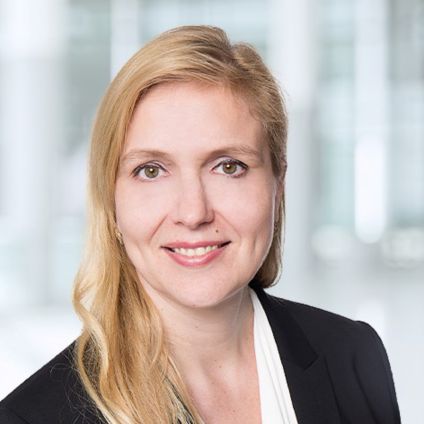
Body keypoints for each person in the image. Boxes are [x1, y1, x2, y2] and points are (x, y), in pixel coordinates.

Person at [0, 25, 400, 424]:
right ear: (111, 201)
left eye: (228, 167)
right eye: (151, 170)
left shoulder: (352, 356)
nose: (193, 213)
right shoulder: (30, 418)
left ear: (278, 182)